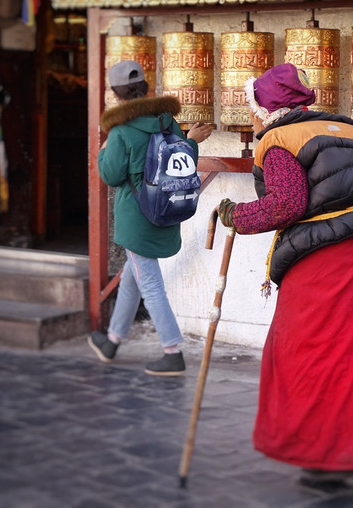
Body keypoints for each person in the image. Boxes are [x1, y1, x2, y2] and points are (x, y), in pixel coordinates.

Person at [217, 63, 353, 499]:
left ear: (268, 107)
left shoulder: (279, 139)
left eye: (252, 107)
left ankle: (343, 455)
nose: (251, 117)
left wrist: (238, 215)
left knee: (312, 357)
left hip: (328, 261)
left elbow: (286, 204)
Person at [88, 60, 213, 376]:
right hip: (164, 208)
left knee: (150, 283)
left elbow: (111, 176)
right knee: (133, 278)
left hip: (136, 216)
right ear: (144, 87)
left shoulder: (121, 129)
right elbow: (180, 163)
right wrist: (193, 141)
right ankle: (112, 341)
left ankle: (172, 352)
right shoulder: (165, 120)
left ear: (116, 94)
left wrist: (104, 149)